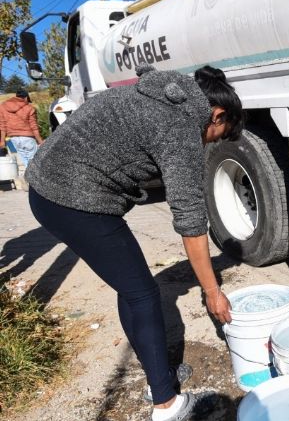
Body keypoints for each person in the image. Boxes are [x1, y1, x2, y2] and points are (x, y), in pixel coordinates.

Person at [25, 64, 243, 421]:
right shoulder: (181, 126)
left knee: (133, 288)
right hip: (71, 199)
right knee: (142, 293)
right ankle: (167, 405)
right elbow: (190, 221)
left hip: (50, 187)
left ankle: (160, 379)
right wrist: (211, 291)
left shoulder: (159, 94)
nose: (211, 142)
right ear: (216, 115)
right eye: (217, 135)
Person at [0, 90, 44, 168]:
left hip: (14, 139)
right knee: (35, 161)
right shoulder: (29, 108)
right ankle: (36, 178)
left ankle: (30, 178)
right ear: (26, 98)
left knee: (25, 160)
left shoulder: (3, 107)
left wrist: (2, 141)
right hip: (28, 138)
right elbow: (34, 126)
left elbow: (2, 125)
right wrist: (40, 141)